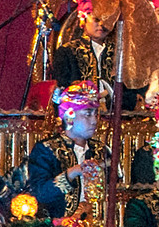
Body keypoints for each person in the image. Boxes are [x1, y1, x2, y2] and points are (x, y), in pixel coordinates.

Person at [24, 83, 107, 218]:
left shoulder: (99, 149)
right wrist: (72, 173)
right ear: (69, 117)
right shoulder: (46, 149)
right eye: (88, 114)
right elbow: (39, 194)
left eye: (95, 114)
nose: (94, 121)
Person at [51, 0, 129, 106]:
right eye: (96, 19)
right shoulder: (67, 51)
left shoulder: (120, 52)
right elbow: (63, 89)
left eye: (105, 19)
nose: (102, 24)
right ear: (83, 19)